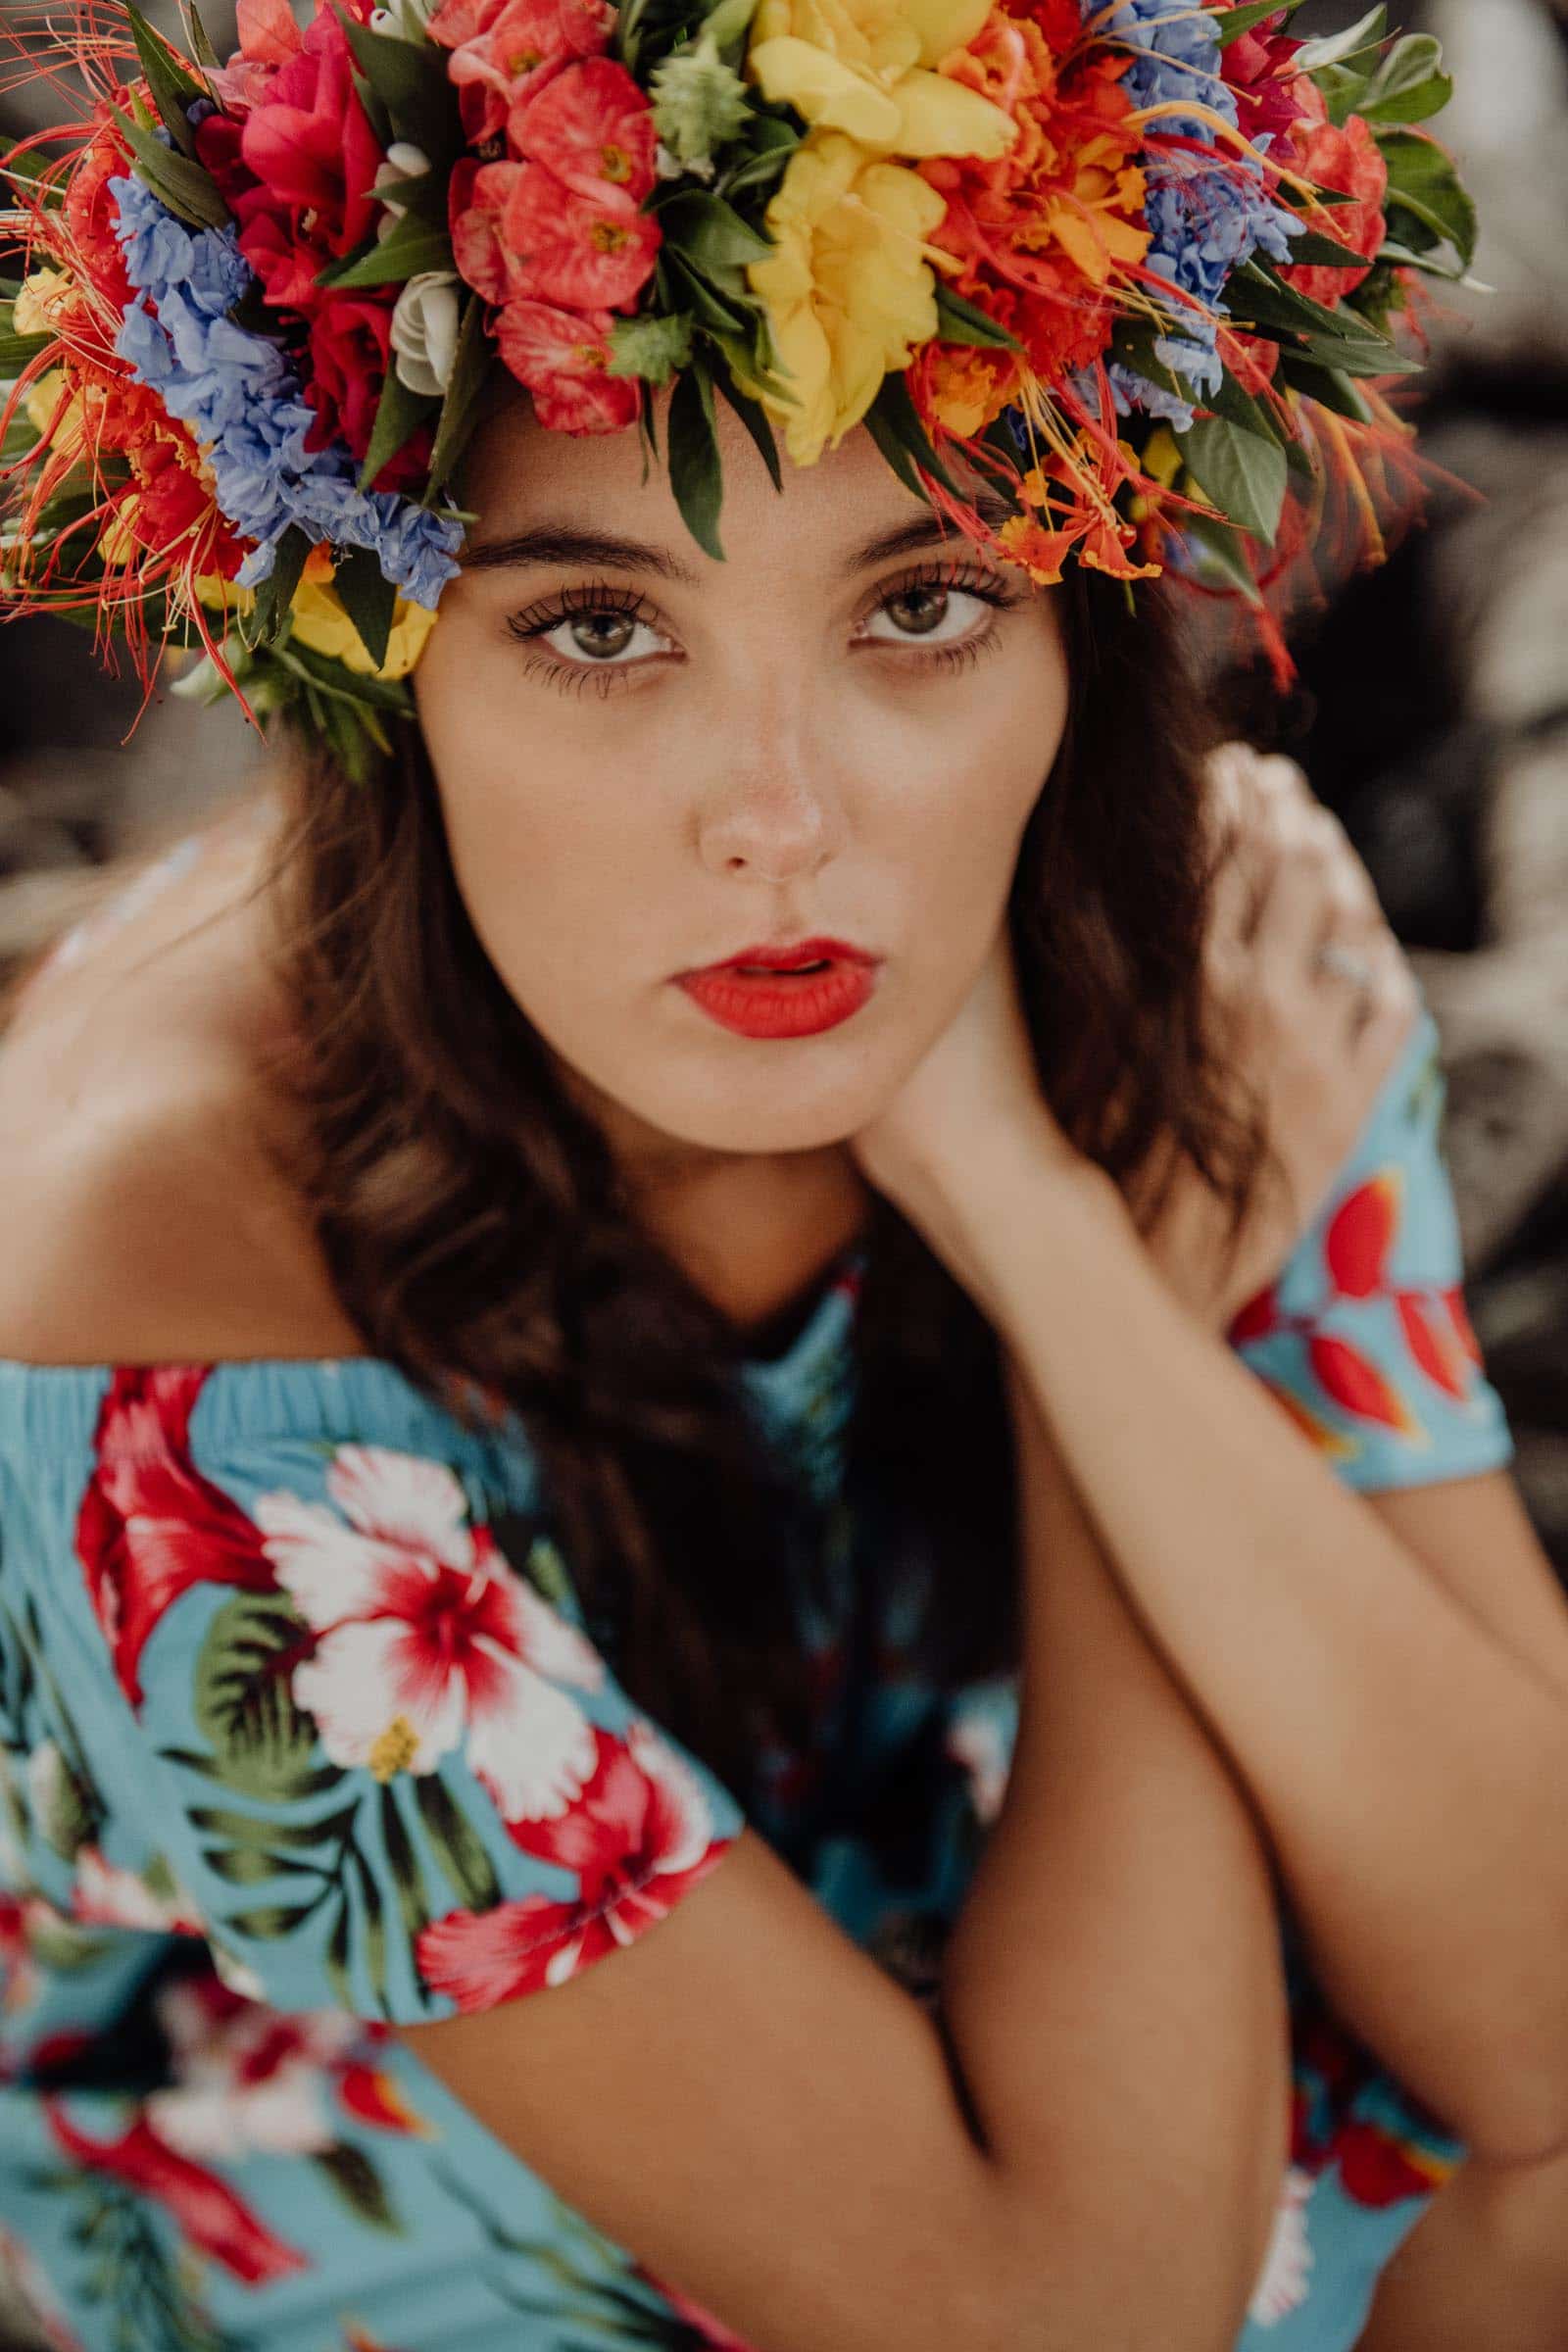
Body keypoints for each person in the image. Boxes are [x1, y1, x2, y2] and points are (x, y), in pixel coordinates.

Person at [0, 5, 1565, 2349]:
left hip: (965, 1890)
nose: (785, 825)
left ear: (1077, 625)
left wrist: (1033, 1220)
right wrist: (1116, 1313)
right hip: (372, 2124)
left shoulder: (1194, 943)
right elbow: (1060, 2318)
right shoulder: (149, 1261)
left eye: (919, 607)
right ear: (379, 658)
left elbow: (1537, 2010)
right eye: (597, 626)